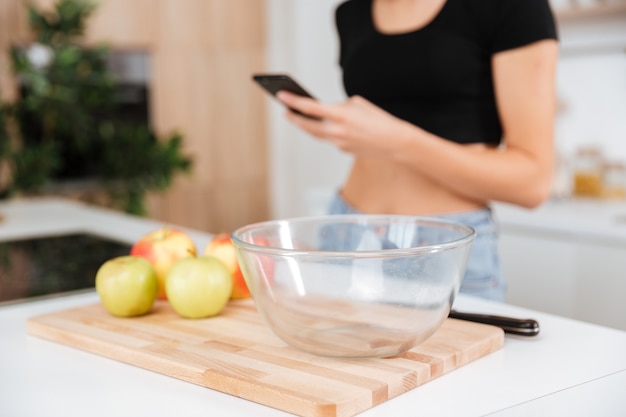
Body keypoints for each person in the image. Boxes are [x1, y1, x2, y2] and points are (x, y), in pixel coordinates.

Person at [276, 0, 559, 302]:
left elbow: (533, 182)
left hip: (443, 248)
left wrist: (399, 142)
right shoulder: (350, 12)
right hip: (348, 232)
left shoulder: (513, 7)